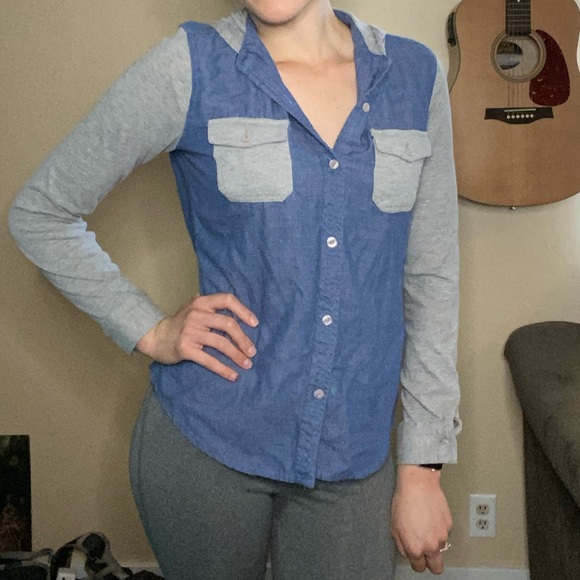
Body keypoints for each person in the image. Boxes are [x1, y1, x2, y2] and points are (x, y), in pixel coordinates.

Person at [9, 0, 461, 578]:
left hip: (354, 455)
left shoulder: (415, 76)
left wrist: (423, 467)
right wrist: (149, 328)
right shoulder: (189, 66)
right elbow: (40, 212)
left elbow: (431, 278)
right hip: (210, 446)